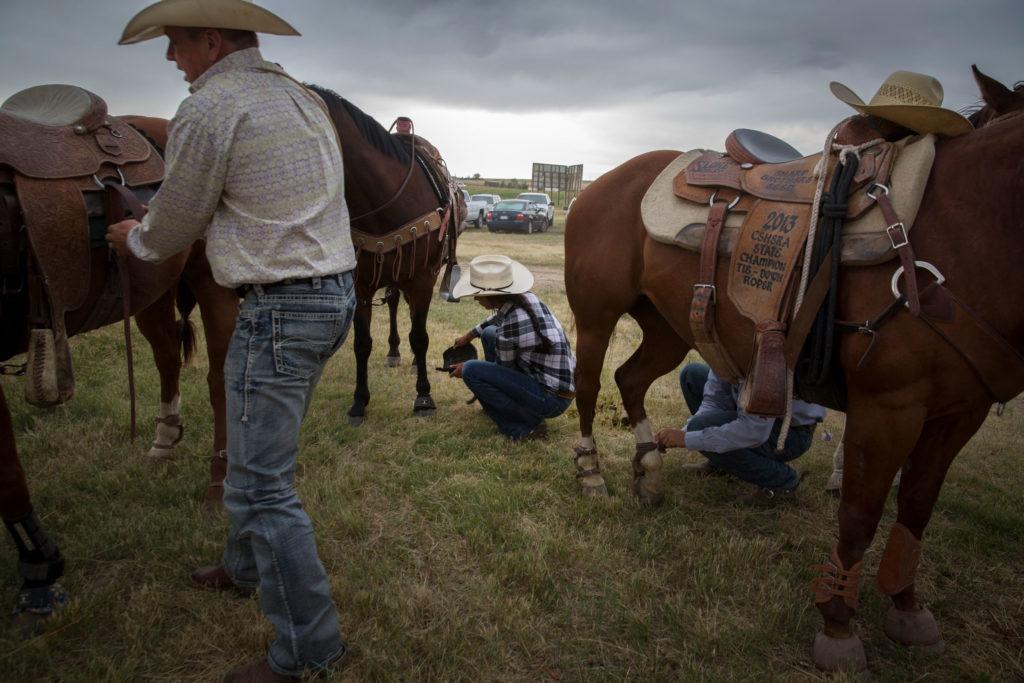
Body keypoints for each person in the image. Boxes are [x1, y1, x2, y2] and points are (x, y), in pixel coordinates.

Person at [107, 2, 354, 680]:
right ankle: (246, 567)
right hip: (333, 294)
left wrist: (138, 238)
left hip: (280, 306)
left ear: (210, 41)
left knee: (261, 487)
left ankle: (308, 649)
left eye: (176, 44)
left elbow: (178, 216)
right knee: (260, 455)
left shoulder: (211, 107)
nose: (171, 58)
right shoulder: (299, 97)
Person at [655, 362, 826, 503]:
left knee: (700, 428)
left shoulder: (766, 357)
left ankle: (782, 482)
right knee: (692, 375)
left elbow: (753, 431)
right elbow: (714, 402)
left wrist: (689, 439)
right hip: (753, 415)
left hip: (791, 433)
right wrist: (682, 433)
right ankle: (723, 462)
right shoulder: (727, 344)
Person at [449, 255, 575, 441]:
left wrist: (466, 368)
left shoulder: (510, 328)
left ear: (492, 295)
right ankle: (504, 408)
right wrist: (470, 335)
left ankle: (524, 427)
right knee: (489, 333)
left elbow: (503, 373)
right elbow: (496, 318)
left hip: (551, 400)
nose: (475, 298)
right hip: (559, 389)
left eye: (477, 293)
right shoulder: (525, 298)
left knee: (471, 370)